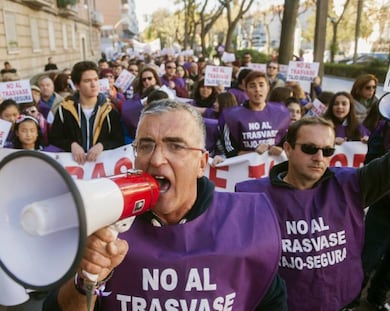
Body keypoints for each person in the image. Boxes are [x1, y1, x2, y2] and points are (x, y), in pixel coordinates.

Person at [43, 99, 288, 310]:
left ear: (201, 162)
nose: (157, 159)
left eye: (176, 146)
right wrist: (88, 277)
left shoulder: (243, 223)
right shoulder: (104, 220)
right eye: (146, 145)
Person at [235, 115, 390, 311]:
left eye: (327, 151)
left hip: (338, 302)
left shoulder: (351, 184)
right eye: (309, 148)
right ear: (288, 149)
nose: (319, 158)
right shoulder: (252, 197)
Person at [354, 117, 390, 311]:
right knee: (367, 258)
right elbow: (370, 163)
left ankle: (376, 299)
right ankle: (349, 301)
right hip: (386, 207)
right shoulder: (386, 126)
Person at [49, 60, 124, 165]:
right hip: (73, 168)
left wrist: (102, 145)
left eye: (96, 79)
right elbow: (54, 138)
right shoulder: (64, 110)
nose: (93, 84)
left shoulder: (109, 110)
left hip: (101, 168)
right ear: (77, 85)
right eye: (87, 81)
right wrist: (71, 145)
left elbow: (119, 141)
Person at [219, 70, 290, 158]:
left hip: (273, 167)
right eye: (252, 86)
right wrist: (254, 153)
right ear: (246, 89)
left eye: (261, 85)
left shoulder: (281, 113)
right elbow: (230, 151)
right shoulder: (232, 116)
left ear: (268, 88)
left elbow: (288, 145)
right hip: (244, 169)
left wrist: (281, 150)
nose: (257, 89)